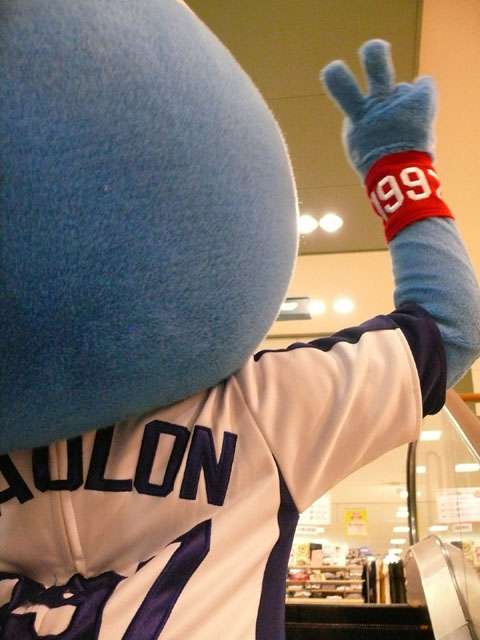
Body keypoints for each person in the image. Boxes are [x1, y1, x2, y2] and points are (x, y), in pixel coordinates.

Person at [1, 2, 479, 639]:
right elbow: (448, 328)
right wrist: (399, 167)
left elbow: (447, 332)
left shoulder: (263, 409)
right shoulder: (260, 410)